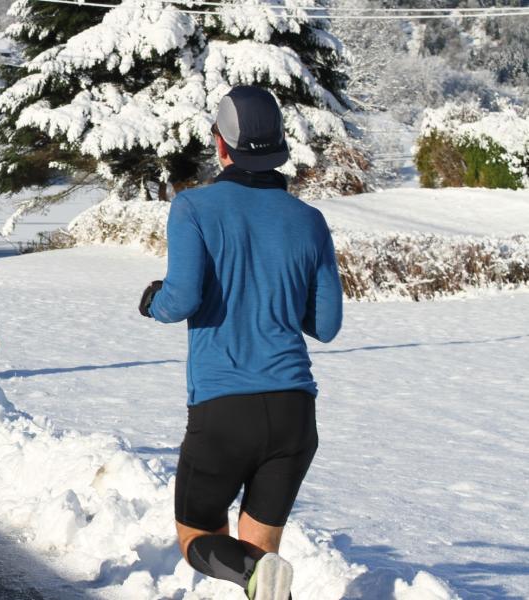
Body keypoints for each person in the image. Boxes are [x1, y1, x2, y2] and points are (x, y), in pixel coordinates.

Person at [138, 86, 343, 600]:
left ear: (221, 146)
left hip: (225, 409)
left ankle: (252, 575)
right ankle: (259, 578)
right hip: (295, 413)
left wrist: (152, 300)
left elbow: (181, 299)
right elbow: (328, 323)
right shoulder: (309, 221)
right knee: (263, 558)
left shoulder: (195, 208)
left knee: (199, 536)